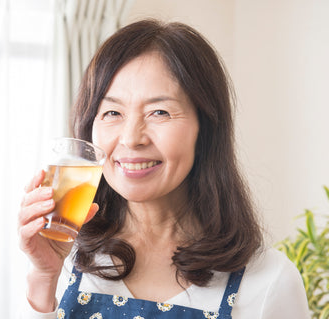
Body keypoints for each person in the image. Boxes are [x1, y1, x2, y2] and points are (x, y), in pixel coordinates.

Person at [18, 19, 310, 318]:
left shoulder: (268, 282)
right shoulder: (64, 259)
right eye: (112, 112)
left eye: (160, 112)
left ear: (206, 128)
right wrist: (43, 279)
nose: (131, 138)